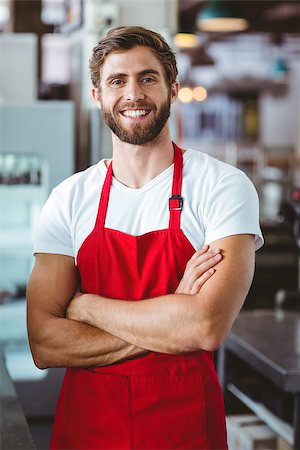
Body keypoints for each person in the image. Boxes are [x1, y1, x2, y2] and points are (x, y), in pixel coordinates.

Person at [27, 26, 263, 450]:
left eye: (147, 78)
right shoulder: (69, 198)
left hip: (186, 430)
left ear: (172, 88)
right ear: (97, 95)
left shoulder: (223, 186)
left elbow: (205, 327)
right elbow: (44, 342)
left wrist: (86, 306)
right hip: (88, 431)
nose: (133, 94)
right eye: (117, 81)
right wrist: (172, 318)